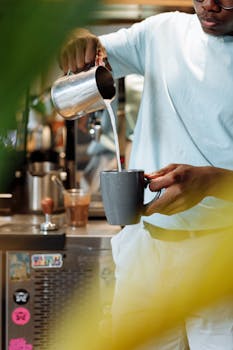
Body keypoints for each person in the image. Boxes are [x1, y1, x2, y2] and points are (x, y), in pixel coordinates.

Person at [59, 1, 233, 349]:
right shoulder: (161, 32)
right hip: (146, 251)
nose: (210, 6)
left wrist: (213, 181)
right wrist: (80, 40)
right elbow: (97, 51)